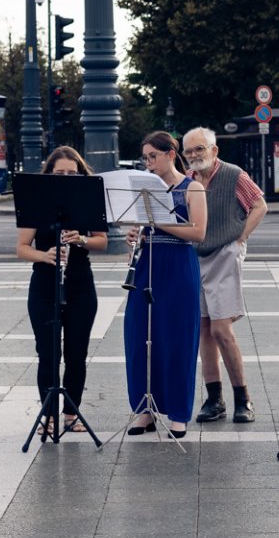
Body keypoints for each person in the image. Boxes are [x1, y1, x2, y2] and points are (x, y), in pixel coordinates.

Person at [15, 146, 108, 436]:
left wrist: (80, 239)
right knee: (48, 353)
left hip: (80, 283)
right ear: (50, 175)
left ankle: (71, 413)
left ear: (80, 173)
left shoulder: (88, 201)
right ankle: (49, 415)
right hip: (44, 284)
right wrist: (46, 256)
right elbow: (21, 248)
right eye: (60, 173)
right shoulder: (36, 203)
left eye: (72, 172)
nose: (66, 177)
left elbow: (102, 241)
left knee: (77, 353)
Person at [122, 131, 207, 439]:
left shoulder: (192, 187)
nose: (149, 163)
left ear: (171, 154)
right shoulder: (143, 190)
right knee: (139, 336)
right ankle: (144, 410)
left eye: (153, 157)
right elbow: (138, 230)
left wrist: (158, 222)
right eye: (145, 158)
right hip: (148, 265)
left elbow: (198, 233)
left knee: (177, 341)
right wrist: (135, 237)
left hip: (179, 267)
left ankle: (179, 413)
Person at [182, 127, 266, 425]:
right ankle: (214, 399)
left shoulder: (233, 174)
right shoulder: (188, 181)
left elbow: (259, 205)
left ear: (213, 150)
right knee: (203, 328)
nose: (194, 156)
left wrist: (240, 238)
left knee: (220, 329)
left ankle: (243, 398)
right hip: (197, 255)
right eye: (189, 151)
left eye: (199, 149)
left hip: (224, 255)